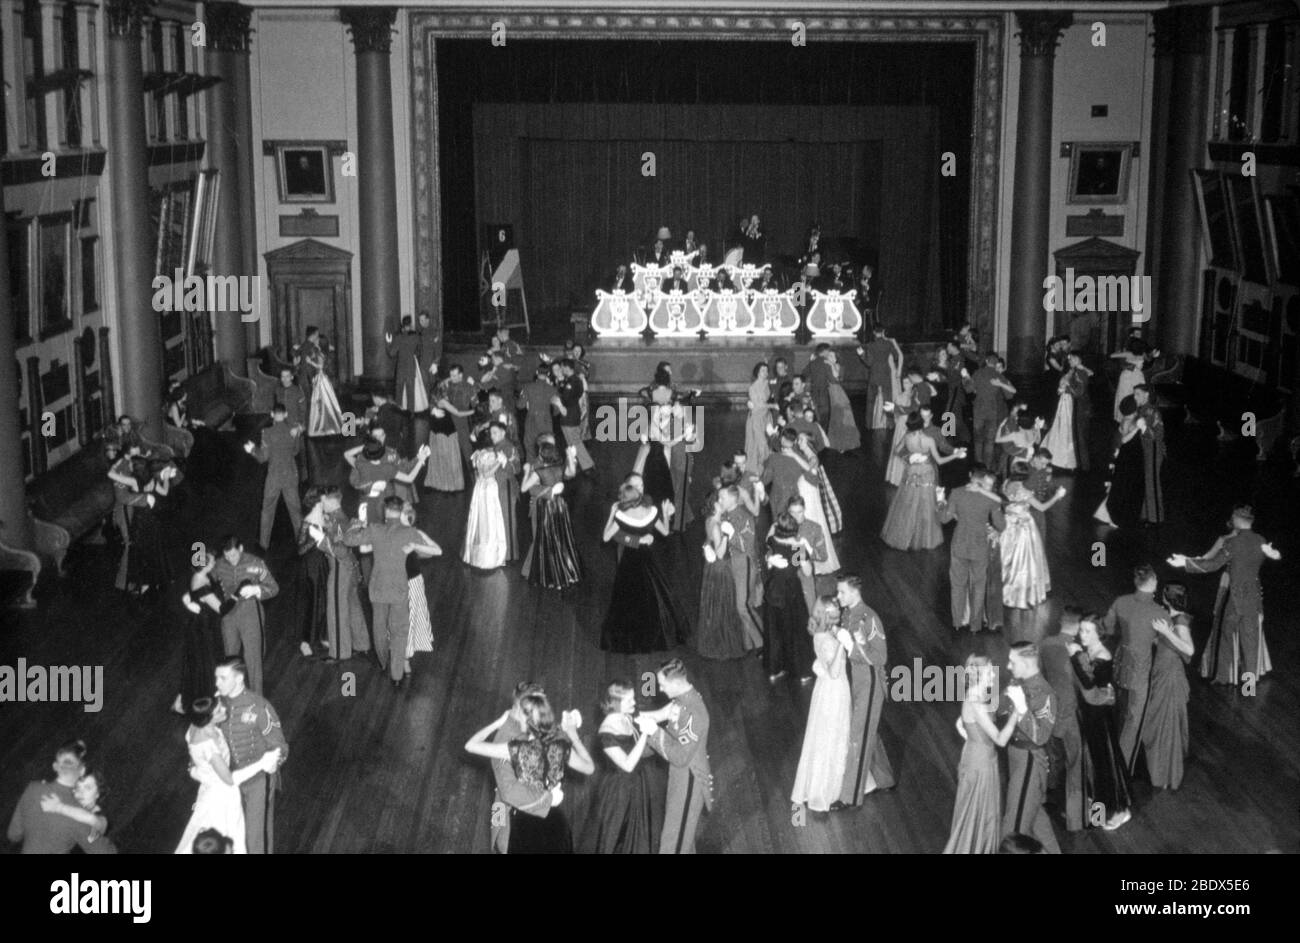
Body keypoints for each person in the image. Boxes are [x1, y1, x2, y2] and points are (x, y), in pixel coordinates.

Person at [465, 693, 594, 854]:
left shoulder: (517, 749)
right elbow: (589, 768)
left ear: (527, 722)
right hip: (555, 821)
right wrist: (573, 735)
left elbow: (470, 745)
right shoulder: (561, 747)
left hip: (526, 823)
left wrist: (499, 723)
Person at [1169, 504, 1280, 686]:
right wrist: (1274, 554)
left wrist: (1185, 562)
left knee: (1226, 636)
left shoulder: (1232, 543)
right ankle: (1248, 686)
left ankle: (1223, 677)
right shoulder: (1260, 539)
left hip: (1234, 599)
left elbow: (1211, 565)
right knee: (1250, 642)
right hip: (1253, 597)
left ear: (1236, 520)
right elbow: (1269, 556)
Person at [343, 495, 441, 687]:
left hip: (378, 590)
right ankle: (397, 676)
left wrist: (357, 523)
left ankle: (382, 662)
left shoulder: (376, 529)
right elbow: (436, 550)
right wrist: (414, 546)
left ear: (386, 511)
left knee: (379, 629)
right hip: (399, 590)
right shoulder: (409, 532)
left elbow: (348, 540)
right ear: (400, 510)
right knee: (399, 632)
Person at [176, 696, 281, 854]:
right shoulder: (208, 746)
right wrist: (262, 764)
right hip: (222, 797)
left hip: (210, 788)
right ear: (207, 718)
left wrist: (197, 772)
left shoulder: (197, 726)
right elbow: (230, 780)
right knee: (231, 836)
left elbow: (193, 759)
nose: (224, 709)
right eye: (219, 710)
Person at [943, 655, 1020, 853]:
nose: (993, 675)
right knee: (978, 815)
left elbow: (965, 722)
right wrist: (1017, 712)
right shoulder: (975, 701)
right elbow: (1001, 739)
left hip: (979, 757)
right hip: (980, 763)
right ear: (978, 676)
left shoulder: (976, 696)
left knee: (978, 814)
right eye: (989, 672)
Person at [635, 659, 712, 854]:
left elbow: (679, 756)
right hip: (679, 777)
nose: (659, 689)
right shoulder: (682, 698)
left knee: (673, 841)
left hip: (689, 780)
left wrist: (653, 732)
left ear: (676, 683)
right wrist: (630, 716)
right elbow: (659, 715)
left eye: (662, 684)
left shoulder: (695, 713)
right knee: (680, 835)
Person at [832, 575, 896, 808]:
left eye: (841, 593)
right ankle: (885, 778)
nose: (838, 597)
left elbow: (880, 657)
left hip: (869, 682)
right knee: (868, 728)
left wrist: (851, 648)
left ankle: (850, 797)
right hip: (856, 680)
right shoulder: (849, 613)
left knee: (858, 736)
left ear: (854, 592)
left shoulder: (870, 618)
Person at [215, 657, 289, 854]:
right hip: (232, 780)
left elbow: (280, 745)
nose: (217, 683)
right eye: (216, 678)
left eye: (222, 678)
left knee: (257, 837)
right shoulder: (217, 706)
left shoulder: (259, 706)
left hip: (259, 782)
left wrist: (275, 761)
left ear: (239, 678)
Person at [600, 485, 686, 653]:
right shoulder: (651, 512)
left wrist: (611, 514)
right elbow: (666, 532)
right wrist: (665, 513)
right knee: (654, 594)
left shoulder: (621, 516)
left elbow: (606, 537)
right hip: (647, 558)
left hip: (629, 560)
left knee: (627, 599)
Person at [583, 681, 665, 853]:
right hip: (619, 793)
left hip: (637, 785)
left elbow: (656, 715)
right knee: (619, 838)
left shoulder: (626, 714)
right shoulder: (606, 734)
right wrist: (645, 733)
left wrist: (674, 707)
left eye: (633, 698)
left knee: (639, 836)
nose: (634, 703)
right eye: (629, 701)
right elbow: (627, 765)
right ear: (616, 704)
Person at [1099, 564, 1167, 772]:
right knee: (1134, 718)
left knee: (1119, 709)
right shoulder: (1158, 611)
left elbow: (1108, 627)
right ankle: (1121, 768)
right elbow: (1164, 641)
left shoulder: (1121, 601)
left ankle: (1108, 755)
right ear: (1153, 582)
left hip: (1121, 661)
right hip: (1140, 667)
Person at [1069, 617, 1133, 831]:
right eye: (1081, 630)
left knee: (1103, 764)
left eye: (1087, 631)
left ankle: (1115, 811)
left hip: (1099, 718)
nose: (1082, 635)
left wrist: (1076, 656)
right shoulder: (1089, 653)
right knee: (1094, 763)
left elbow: (1088, 683)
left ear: (1099, 633)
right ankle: (1100, 809)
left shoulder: (1103, 656)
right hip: (1089, 714)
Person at [790, 597, 853, 812]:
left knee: (822, 737)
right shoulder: (827, 640)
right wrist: (842, 646)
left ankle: (818, 787)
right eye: (835, 612)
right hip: (835, 691)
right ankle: (829, 792)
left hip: (824, 690)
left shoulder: (820, 634)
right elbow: (835, 672)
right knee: (833, 737)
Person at [6, 740, 116, 854]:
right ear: (81, 771)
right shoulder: (75, 813)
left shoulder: (33, 789)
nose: (81, 792)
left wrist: (59, 807)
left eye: (88, 788)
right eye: (78, 787)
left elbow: (13, 835)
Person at [1000, 642, 1059, 853]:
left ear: (1025, 663)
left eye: (1012, 662)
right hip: (1016, 756)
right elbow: (1001, 709)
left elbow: (1041, 736)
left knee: (1013, 831)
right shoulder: (1018, 681)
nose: (1008, 666)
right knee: (1036, 820)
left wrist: (1022, 708)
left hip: (1029, 761)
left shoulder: (1045, 693)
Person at [300, 486, 368, 662]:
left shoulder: (337, 522)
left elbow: (341, 551)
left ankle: (340, 653)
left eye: (323, 501)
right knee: (353, 607)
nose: (321, 504)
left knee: (336, 610)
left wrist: (321, 540)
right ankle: (361, 645)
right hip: (351, 568)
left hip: (340, 570)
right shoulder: (340, 517)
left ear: (331, 501)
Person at [881, 413, 965, 551]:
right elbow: (939, 460)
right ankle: (924, 537)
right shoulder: (928, 440)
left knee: (907, 503)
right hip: (926, 472)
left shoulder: (907, 436)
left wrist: (909, 458)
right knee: (926, 504)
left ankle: (905, 536)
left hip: (911, 471)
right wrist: (956, 454)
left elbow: (897, 450)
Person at [938, 465, 1005, 632]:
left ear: (971, 476)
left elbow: (944, 519)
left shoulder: (956, 492)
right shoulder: (990, 499)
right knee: (978, 585)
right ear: (983, 481)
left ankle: (957, 623)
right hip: (980, 546)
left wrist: (939, 501)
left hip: (959, 544)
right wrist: (994, 530)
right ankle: (975, 626)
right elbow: (1001, 525)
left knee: (958, 585)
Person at [1037, 606, 1086, 834]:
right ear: (1077, 627)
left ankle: (1047, 794)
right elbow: (1083, 683)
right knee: (1075, 759)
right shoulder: (1075, 650)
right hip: (1070, 710)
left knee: (1052, 755)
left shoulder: (1046, 644)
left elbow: (1042, 673)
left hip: (1050, 706)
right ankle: (1073, 814)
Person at [211, 536, 278, 694]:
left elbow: (274, 588)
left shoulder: (255, 563)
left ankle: (256, 696)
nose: (231, 559)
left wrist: (257, 590)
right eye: (227, 556)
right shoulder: (219, 565)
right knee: (230, 656)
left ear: (241, 549)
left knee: (253, 657)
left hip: (250, 611)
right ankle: (232, 694)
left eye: (233, 555)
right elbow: (205, 576)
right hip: (229, 613)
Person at [1143, 584, 1194, 791]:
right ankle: (1160, 769)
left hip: (1170, 678)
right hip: (1161, 671)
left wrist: (1166, 632)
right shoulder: (1169, 617)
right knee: (1159, 723)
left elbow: (1189, 649)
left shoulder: (1180, 621)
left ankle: (1164, 773)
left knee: (1165, 726)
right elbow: (1164, 643)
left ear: (1167, 599)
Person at [693, 491, 753, 660]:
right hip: (721, 568)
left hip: (712, 569)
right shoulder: (716, 525)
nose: (722, 501)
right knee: (724, 606)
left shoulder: (710, 521)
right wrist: (727, 535)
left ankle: (715, 641)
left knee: (715, 606)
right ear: (715, 506)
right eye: (719, 500)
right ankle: (724, 644)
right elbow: (720, 553)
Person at [520, 440, 583, 589]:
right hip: (560, 506)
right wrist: (571, 457)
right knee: (561, 536)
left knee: (545, 538)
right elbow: (572, 473)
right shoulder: (560, 467)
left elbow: (524, 488)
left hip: (546, 507)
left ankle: (548, 572)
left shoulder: (539, 471)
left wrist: (526, 472)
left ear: (541, 455)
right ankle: (564, 570)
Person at [177, 557, 235, 713]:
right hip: (205, 628)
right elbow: (221, 609)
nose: (213, 562)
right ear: (203, 566)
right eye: (210, 561)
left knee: (200, 664)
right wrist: (236, 596)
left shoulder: (200, 576)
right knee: (208, 662)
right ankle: (211, 699)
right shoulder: (202, 586)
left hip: (202, 625)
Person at [999, 479, 1066, 610]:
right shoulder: (1024, 492)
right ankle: (1020, 593)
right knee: (1024, 560)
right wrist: (1057, 496)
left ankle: (1002, 589)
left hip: (1008, 526)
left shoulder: (1005, 485)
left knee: (1006, 557)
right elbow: (1042, 507)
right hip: (1024, 528)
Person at [763, 512, 813, 683]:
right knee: (796, 631)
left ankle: (774, 670)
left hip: (772, 591)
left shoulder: (773, 541)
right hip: (790, 593)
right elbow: (807, 572)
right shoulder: (796, 548)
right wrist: (805, 553)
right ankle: (802, 672)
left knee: (774, 630)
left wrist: (769, 559)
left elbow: (767, 547)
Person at [246, 403, 302, 550]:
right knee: (295, 510)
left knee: (267, 510)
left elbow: (263, 457)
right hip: (290, 475)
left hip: (274, 477)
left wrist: (252, 450)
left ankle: (263, 545)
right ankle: (302, 541)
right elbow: (295, 451)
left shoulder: (266, 432)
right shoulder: (293, 430)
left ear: (272, 414)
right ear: (285, 415)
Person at [1093, 395, 1145, 529]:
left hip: (1122, 458)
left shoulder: (1127, 420)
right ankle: (1112, 516)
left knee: (1118, 488)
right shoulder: (1130, 422)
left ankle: (1108, 515)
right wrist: (1137, 430)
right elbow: (1124, 440)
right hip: (1123, 459)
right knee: (1119, 489)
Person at [1041, 351, 1093, 471]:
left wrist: (1067, 387)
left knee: (1077, 434)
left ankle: (1081, 465)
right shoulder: (1073, 371)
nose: (1070, 361)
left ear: (1079, 359)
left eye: (1073, 358)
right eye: (1070, 359)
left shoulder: (1080, 372)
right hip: (1066, 403)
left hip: (1076, 406)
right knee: (1064, 428)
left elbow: (1079, 392)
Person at [463, 438, 509, 570]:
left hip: (480, 487)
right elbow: (487, 473)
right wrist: (499, 462)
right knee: (490, 519)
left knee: (479, 519)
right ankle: (490, 557)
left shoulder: (478, 453)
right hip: (488, 488)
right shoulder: (488, 454)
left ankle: (476, 554)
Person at [963, 353, 1016, 468]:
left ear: (986, 361)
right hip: (993, 412)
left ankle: (978, 464)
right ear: (996, 363)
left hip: (978, 411)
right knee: (989, 441)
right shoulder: (998, 376)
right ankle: (987, 467)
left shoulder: (978, 373)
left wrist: (966, 376)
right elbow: (1011, 394)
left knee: (978, 440)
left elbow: (969, 389)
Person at [297, 327, 345, 438]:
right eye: (316, 337)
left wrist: (311, 362)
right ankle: (324, 424)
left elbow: (321, 366)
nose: (316, 340)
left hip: (320, 377)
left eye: (318, 339)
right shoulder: (318, 351)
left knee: (320, 402)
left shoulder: (319, 352)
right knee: (322, 402)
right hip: (319, 377)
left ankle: (320, 425)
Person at [1133, 384, 1166, 524]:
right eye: (1134, 394)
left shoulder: (1152, 411)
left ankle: (1156, 518)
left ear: (1146, 395)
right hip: (1145, 450)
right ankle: (1147, 514)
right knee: (1147, 481)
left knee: (1152, 483)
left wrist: (1144, 428)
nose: (1135, 397)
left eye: (1138, 394)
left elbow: (1158, 435)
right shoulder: (1142, 409)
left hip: (1153, 450)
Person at [857, 326, 901, 430]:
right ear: (883, 332)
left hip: (874, 375)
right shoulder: (888, 344)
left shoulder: (870, 345)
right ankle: (890, 423)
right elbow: (895, 356)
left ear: (873, 332)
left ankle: (869, 424)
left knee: (871, 401)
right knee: (888, 400)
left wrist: (861, 354)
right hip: (886, 375)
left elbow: (869, 362)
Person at [424, 383, 466, 492]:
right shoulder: (443, 401)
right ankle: (449, 484)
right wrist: (473, 412)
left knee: (440, 458)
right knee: (448, 458)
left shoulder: (436, 401)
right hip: (446, 433)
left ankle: (441, 483)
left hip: (438, 432)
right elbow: (458, 413)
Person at [823, 349, 860, 453]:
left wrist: (831, 364)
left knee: (842, 419)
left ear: (835, 359)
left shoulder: (837, 366)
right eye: (828, 355)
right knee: (836, 419)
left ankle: (844, 444)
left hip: (838, 395)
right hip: (833, 394)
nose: (828, 357)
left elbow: (836, 377)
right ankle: (838, 443)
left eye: (831, 356)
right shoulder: (827, 366)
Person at [519, 364, 555, 462]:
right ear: (548, 374)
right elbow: (556, 410)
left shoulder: (527, 387)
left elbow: (520, 405)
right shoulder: (552, 389)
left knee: (530, 447)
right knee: (547, 447)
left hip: (531, 419)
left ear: (536, 373)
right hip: (546, 420)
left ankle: (531, 471)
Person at [746, 363, 775, 470]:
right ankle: (760, 468)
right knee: (760, 444)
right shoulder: (753, 387)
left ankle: (767, 468)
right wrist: (772, 405)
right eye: (763, 370)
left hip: (766, 417)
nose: (766, 373)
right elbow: (757, 404)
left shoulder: (768, 384)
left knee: (768, 441)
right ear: (757, 372)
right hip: (757, 418)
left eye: (767, 370)